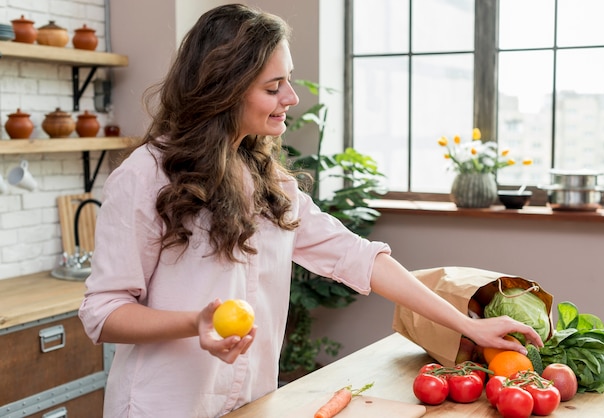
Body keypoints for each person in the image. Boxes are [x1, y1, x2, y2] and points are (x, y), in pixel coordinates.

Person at [78, 4, 542, 418]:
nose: (292, 99)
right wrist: (192, 323)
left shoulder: (270, 180)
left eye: (289, 81)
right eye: (273, 86)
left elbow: (359, 257)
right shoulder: (146, 176)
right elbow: (103, 311)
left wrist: (469, 325)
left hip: (252, 401)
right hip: (163, 405)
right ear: (224, 90)